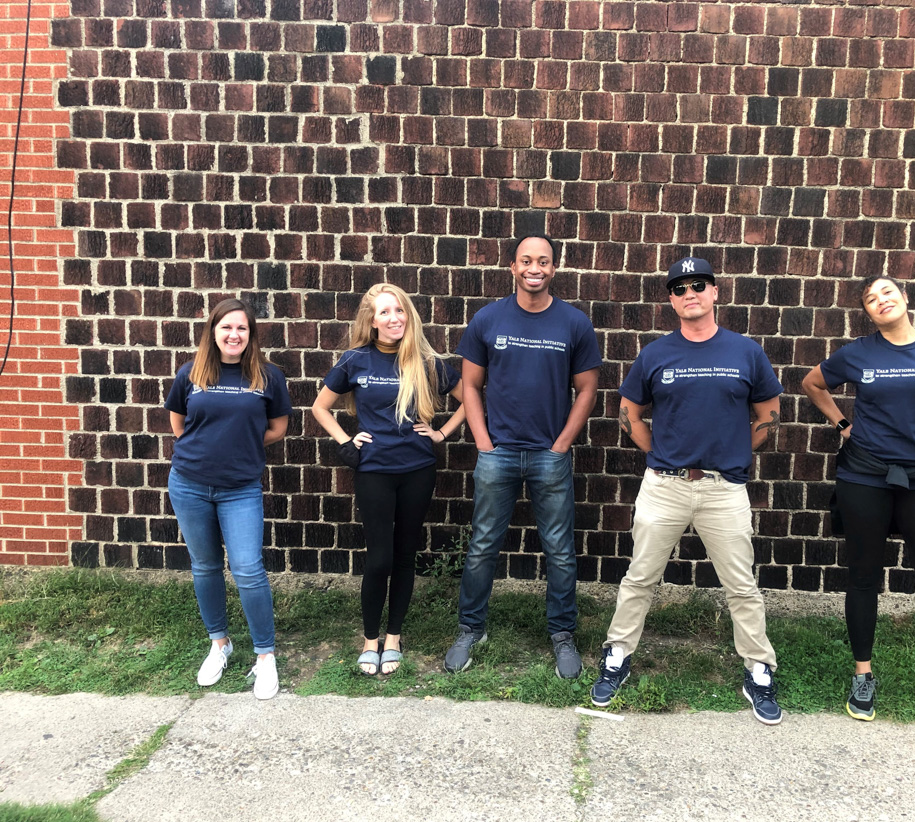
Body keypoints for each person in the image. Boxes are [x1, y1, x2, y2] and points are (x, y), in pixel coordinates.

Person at [590, 257, 785, 725]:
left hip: (724, 489)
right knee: (640, 577)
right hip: (665, 486)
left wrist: (738, 451)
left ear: (716, 292)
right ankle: (617, 655)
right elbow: (629, 412)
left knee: (742, 585)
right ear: (671, 300)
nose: (689, 293)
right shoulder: (656, 354)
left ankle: (758, 668)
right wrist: (660, 454)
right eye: (679, 288)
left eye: (698, 285)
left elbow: (769, 414)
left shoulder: (746, 352)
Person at [801, 275, 915, 726]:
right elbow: (812, 383)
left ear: (905, 299)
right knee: (863, 576)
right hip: (863, 476)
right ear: (867, 313)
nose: (880, 301)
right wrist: (844, 426)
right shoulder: (858, 353)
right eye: (870, 299)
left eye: (887, 293)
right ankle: (863, 675)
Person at [444, 234, 601, 679]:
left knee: (560, 551)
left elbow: (587, 389)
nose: (535, 268)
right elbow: (470, 385)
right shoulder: (488, 318)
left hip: (550, 455)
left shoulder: (574, 323)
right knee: (481, 547)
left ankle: (563, 635)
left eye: (544, 261)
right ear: (512, 266)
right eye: (526, 260)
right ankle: (470, 629)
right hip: (499, 454)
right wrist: (482, 441)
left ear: (554, 269)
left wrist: (562, 444)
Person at [311, 284, 466, 676]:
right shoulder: (355, 360)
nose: (394, 318)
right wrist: (347, 440)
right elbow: (320, 407)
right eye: (384, 312)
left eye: (399, 310)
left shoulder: (426, 361)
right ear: (372, 320)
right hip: (374, 471)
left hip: (417, 469)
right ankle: (369, 640)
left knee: (405, 555)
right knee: (379, 558)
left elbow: (472, 399)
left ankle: (394, 637)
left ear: (407, 314)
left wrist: (441, 433)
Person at [165, 298, 291, 700]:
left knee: (249, 569)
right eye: (226, 328)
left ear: (250, 335)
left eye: (242, 328)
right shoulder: (192, 373)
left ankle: (265, 657)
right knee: (204, 566)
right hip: (188, 483)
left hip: (240, 488)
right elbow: (178, 422)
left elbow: (278, 427)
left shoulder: (267, 376)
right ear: (213, 332)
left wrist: (240, 447)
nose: (234, 335)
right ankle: (219, 644)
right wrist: (204, 449)